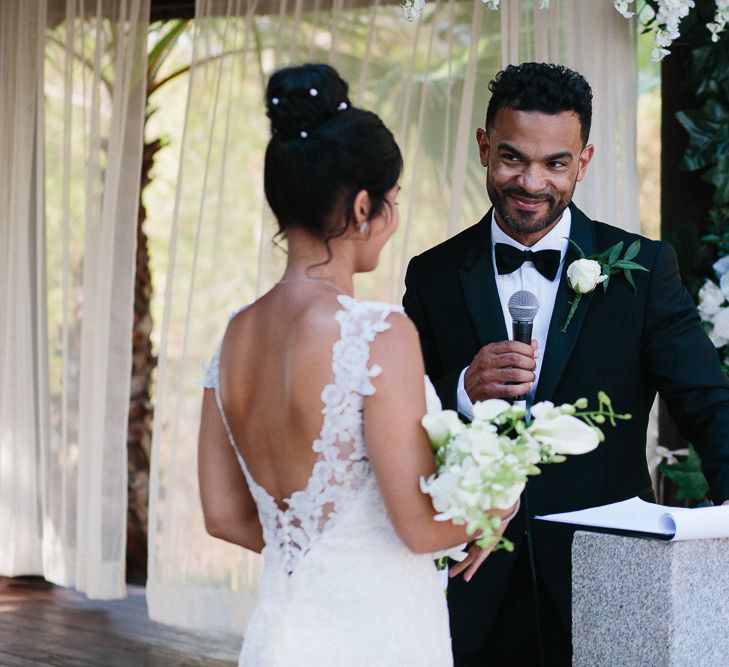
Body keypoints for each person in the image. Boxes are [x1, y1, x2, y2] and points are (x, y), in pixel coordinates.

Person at [403, 61, 729, 666]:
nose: (531, 182)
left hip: (609, 578)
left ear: (584, 160)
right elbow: (400, 416)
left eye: (555, 163)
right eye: (512, 158)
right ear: (482, 147)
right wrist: (464, 390)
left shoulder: (644, 270)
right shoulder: (433, 274)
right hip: (469, 582)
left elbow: (710, 403)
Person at [198, 63, 514, 667]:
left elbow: (221, 514)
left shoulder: (235, 333)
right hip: (374, 637)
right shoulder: (378, 334)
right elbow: (419, 529)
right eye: (393, 201)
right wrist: (500, 502)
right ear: (363, 206)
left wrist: (318, 553)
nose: (392, 219)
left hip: (281, 634)